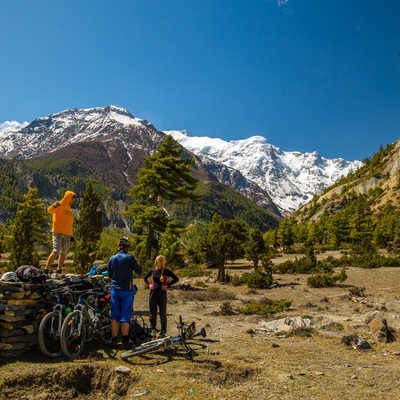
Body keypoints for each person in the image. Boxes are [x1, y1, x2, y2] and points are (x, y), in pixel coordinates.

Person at [108, 237, 142, 348]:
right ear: (126, 247)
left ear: (119, 246)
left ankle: (114, 340)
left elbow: (109, 274)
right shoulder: (130, 258)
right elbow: (139, 271)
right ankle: (125, 341)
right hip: (127, 290)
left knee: (114, 316)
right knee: (125, 316)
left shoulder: (112, 259)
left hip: (114, 290)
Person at [144, 255, 179, 338]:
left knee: (163, 312)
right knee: (152, 312)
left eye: (158, 260)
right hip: (153, 293)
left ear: (161, 262)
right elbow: (145, 278)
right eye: (155, 260)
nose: (156, 261)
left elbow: (176, 278)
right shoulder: (152, 271)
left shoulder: (165, 271)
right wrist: (149, 284)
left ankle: (163, 331)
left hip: (162, 294)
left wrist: (167, 285)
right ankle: (153, 329)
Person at [44, 190, 76, 275]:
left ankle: (59, 270)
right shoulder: (59, 204)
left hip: (67, 234)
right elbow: (49, 211)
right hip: (57, 232)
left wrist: (71, 236)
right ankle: (46, 269)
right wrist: (53, 206)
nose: (73, 201)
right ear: (68, 198)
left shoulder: (70, 210)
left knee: (63, 253)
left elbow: (69, 224)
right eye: (72, 199)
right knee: (56, 251)